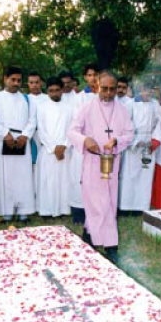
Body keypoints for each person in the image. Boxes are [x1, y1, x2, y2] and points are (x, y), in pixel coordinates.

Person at [68, 70, 133, 263]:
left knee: (109, 202)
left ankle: (94, 238)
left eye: (112, 89)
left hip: (112, 163)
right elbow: (72, 131)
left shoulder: (122, 111)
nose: (108, 93)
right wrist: (85, 139)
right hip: (92, 161)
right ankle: (106, 243)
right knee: (96, 202)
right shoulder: (86, 108)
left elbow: (129, 135)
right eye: (104, 88)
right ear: (97, 86)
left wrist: (116, 141)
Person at [0, 66, 37, 224]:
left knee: (23, 176)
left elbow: (32, 120)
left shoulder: (26, 99)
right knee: (5, 176)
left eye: (19, 80)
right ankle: (7, 212)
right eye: (13, 80)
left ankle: (24, 212)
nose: (16, 83)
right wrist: (5, 133)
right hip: (4, 140)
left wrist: (25, 135)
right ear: (5, 79)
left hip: (22, 141)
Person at [118, 82, 161, 215]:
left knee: (145, 176)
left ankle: (141, 207)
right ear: (141, 89)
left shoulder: (155, 104)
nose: (148, 93)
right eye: (146, 90)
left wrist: (152, 141)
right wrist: (134, 141)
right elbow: (125, 124)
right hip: (134, 143)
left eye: (151, 91)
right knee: (129, 176)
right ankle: (125, 207)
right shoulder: (131, 104)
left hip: (148, 143)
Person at [35, 76, 72, 217]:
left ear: (62, 90)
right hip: (48, 150)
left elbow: (73, 128)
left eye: (57, 90)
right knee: (47, 181)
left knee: (64, 181)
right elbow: (41, 130)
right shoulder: (42, 107)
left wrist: (64, 146)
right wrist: (53, 148)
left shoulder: (70, 107)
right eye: (51, 91)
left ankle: (64, 210)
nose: (55, 93)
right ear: (47, 91)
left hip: (65, 150)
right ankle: (46, 210)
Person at [68, 63, 99, 225]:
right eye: (89, 75)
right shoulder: (79, 97)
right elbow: (77, 120)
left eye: (95, 74)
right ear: (85, 77)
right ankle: (79, 212)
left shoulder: (106, 95)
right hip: (84, 142)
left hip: (100, 144)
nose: (93, 78)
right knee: (80, 177)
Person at [27, 70, 48, 166]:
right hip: (30, 136)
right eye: (31, 83)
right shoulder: (25, 99)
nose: (34, 85)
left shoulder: (48, 98)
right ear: (28, 84)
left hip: (45, 134)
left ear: (41, 83)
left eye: (37, 82)